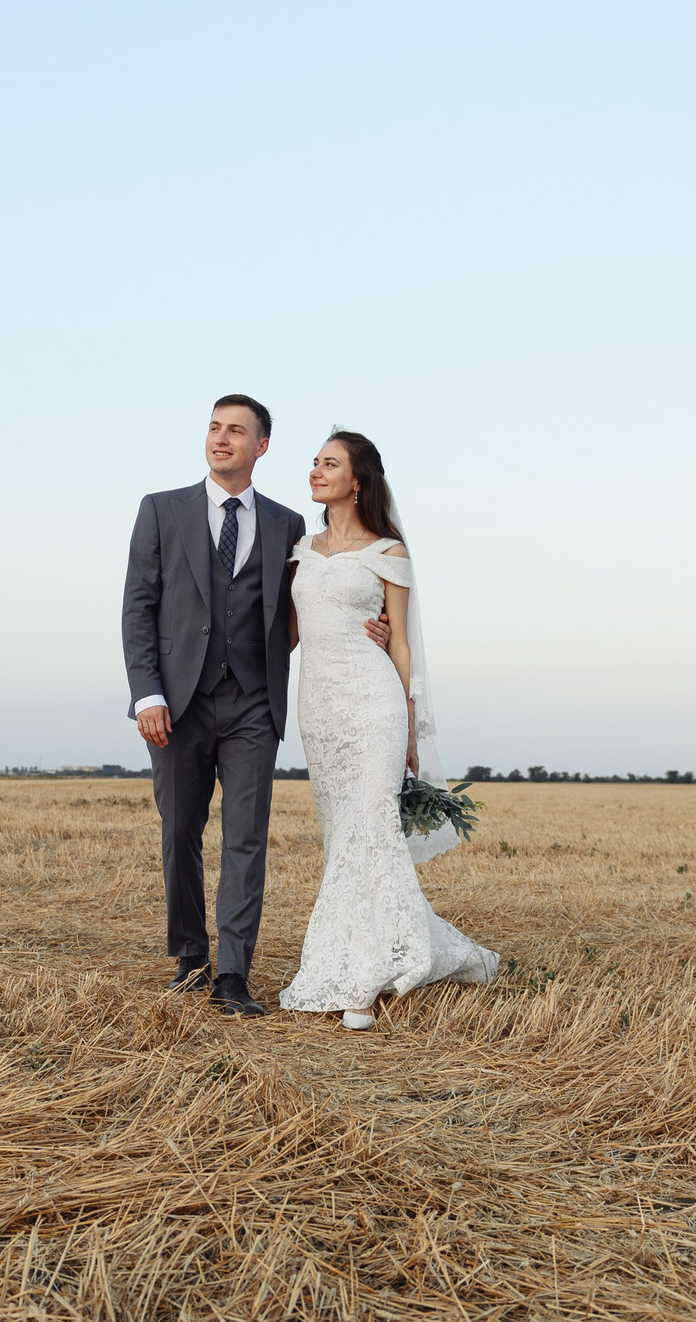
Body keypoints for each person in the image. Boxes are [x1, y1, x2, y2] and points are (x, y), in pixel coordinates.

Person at [276, 430, 498, 1030]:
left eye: (331, 464)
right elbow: (290, 635)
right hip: (319, 708)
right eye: (315, 463)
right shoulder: (301, 548)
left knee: (371, 824)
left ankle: (361, 977)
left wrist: (407, 729)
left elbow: (398, 640)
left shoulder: (388, 551)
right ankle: (434, 948)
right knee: (342, 832)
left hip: (374, 701)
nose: (317, 472)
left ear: (358, 480)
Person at [121, 395, 305, 1018]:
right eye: (214, 427)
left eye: (236, 432)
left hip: (254, 703)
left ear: (261, 447)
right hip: (177, 704)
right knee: (180, 834)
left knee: (246, 840)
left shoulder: (288, 525)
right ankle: (189, 956)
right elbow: (138, 609)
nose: (221, 439)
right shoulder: (161, 510)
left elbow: (299, 614)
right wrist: (147, 693)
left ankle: (233, 974)